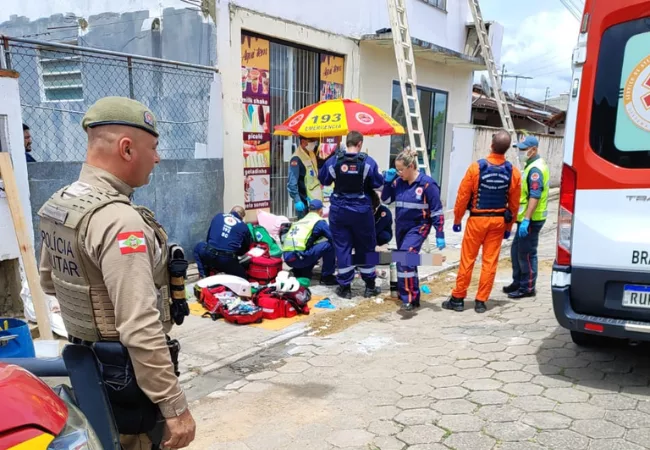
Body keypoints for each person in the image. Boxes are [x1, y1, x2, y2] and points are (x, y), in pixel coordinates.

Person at [37, 96, 195, 450]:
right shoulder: (119, 221)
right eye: (153, 147)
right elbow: (139, 325)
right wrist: (175, 407)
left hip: (87, 363)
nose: (157, 158)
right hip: (127, 377)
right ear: (127, 149)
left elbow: (49, 281)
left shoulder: (60, 204)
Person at [443, 129, 521, 314]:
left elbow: (463, 196)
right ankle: (480, 301)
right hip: (498, 222)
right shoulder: (513, 172)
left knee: (468, 259)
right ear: (507, 149)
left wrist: (457, 218)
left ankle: (458, 298)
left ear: (491, 145)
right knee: (490, 262)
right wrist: (509, 227)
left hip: (477, 221)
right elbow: (514, 204)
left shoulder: (476, 168)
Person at [318, 131, 384, 299]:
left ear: (346, 143)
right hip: (362, 211)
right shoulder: (368, 162)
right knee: (366, 246)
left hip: (339, 211)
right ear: (360, 143)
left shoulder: (334, 161)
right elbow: (377, 183)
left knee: (342, 247)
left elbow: (324, 180)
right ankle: (369, 286)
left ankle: (345, 287)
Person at [381, 148, 446, 311]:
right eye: (397, 170)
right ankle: (414, 296)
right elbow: (386, 200)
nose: (399, 172)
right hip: (402, 227)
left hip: (419, 226)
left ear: (411, 167)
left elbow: (437, 210)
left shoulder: (427, 184)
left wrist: (440, 232)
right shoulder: (398, 183)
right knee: (407, 261)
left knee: (405, 258)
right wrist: (387, 183)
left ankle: (408, 297)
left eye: (401, 169)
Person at [504, 136, 550, 299]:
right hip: (524, 219)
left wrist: (527, 219)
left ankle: (527, 287)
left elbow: (534, 195)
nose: (521, 152)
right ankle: (517, 282)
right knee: (516, 250)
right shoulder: (531, 165)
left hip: (532, 220)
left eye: (524, 149)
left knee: (527, 254)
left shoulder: (535, 170)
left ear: (533, 150)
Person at [281, 199, 337, 285]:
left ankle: (299, 270)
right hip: (299, 258)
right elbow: (333, 238)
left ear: (309, 210)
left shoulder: (300, 221)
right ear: (320, 211)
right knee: (329, 245)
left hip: (288, 259)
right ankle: (327, 276)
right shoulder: (319, 221)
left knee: (311, 244)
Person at [193, 206, 251, 279]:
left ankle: (204, 275)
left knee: (198, 247)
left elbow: (209, 238)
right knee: (243, 278)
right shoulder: (244, 226)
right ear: (242, 217)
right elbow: (245, 248)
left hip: (209, 254)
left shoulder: (218, 216)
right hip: (227, 260)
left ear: (230, 211)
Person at [288, 135, 323, 219]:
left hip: (315, 199)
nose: (314, 143)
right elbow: (292, 182)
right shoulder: (296, 158)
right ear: (303, 142)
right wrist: (297, 200)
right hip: (304, 202)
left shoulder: (311, 153)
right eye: (312, 141)